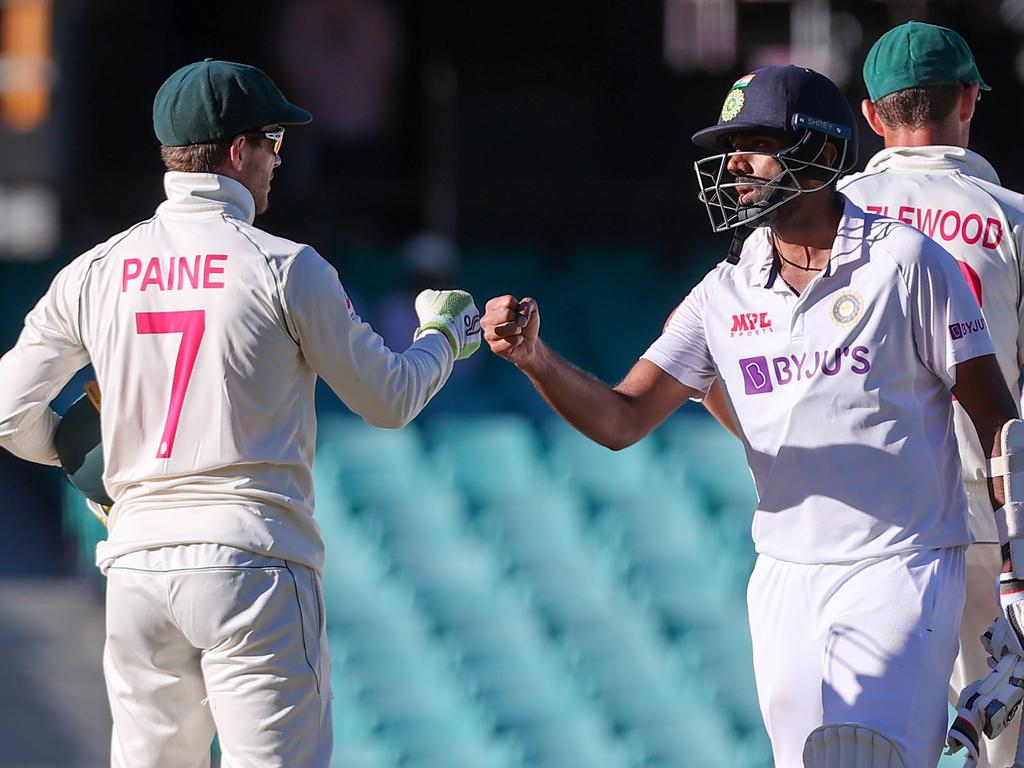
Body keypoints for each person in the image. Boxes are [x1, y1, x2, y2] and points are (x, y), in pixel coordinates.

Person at [481, 64, 1018, 767]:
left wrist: (1015, 562)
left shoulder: (908, 261)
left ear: (824, 153)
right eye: (728, 145)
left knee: (867, 757)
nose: (732, 163)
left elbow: (997, 419)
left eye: (754, 141)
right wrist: (533, 357)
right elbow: (622, 419)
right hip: (784, 577)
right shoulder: (722, 294)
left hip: (902, 564)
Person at [0, 59, 480, 768]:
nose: (279, 160)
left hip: (137, 564)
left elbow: (9, 415)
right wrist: (443, 338)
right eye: (274, 141)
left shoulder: (95, 270)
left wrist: (96, 467)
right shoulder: (287, 266)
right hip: (251, 560)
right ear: (236, 151)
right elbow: (389, 399)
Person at [837, 22, 1024, 767]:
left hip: (864, 529)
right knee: (998, 749)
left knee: (869, 747)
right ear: (970, 99)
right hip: (989, 519)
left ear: (872, 115)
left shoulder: (823, 216)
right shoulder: (1011, 218)